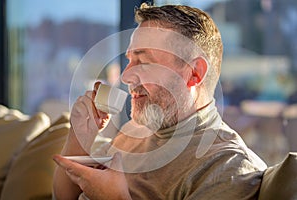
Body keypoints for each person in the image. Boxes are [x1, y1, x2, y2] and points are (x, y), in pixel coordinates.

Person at [52, 3, 267, 200]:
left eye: (143, 61)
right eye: (129, 61)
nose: (125, 77)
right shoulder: (134, 131)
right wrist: (80, 137)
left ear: (194, 73)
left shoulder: (228, 166)